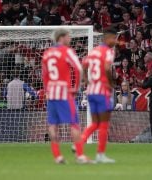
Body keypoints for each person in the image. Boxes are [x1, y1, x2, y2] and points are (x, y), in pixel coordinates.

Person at [42, 28, 90, 164]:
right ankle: (80, 156)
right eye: (68, 36)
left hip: (51, 93)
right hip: (64, 92)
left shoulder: (47, 53)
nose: (70, 38)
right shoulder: (67, 51)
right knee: (74, 123)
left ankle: (58, 156)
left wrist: (46, 90)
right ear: (61, 37)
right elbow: (78, 68)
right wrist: (76, 87)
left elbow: (44, 74)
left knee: (53, 125)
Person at [81, 29, 118, 163]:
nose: (115, 41)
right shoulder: (108, 51)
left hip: (91, 91)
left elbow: (83, 65)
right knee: (103, 124)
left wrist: (86, 80)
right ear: (107, 38)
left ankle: (79, 144)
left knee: (96, 122)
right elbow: (108, 68)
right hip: (102, 92)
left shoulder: (94, 51)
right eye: (114, 38)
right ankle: (100, 155)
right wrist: (111, 83)